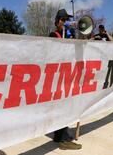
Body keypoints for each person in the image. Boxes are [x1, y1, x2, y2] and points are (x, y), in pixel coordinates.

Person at [48, 9, 82, 150]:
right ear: (58, 21)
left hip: (67, 75)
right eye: (63, 20)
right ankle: (64, 139)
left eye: (67, 20)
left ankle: (58, 136)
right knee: (63, 107)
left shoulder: (68, 34)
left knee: (64, 106)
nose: (65, 22)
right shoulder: (53, 35)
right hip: (58, 77)